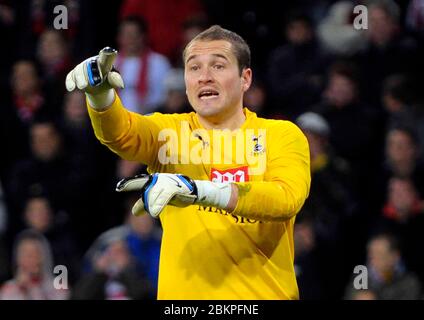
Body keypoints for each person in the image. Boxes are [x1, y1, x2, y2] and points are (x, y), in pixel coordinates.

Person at [65, 25, 311, 300]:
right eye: (194, 68)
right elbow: (121, 133)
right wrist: (100, 97)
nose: (204, 77)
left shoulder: (281, 135)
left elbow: (286, 198)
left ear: (245, 78)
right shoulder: (168, 134)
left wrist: (198, 191)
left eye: (218, 66)